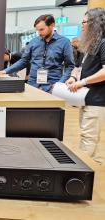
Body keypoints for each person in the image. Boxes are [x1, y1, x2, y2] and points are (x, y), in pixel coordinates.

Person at [66, 8, 105, 164]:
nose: (82, 25)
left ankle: (82, 175)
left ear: (95, 23)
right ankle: (96, 171)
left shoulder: (103, 43)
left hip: (97, 99)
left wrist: (83, 82)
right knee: (90, 138)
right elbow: (78, 66)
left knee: (88, 139)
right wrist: (73, 77)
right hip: (85, 98)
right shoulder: (89, 43)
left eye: (85, 22)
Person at [0, 14, 74, 93]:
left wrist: (60, 84)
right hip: (33, 84)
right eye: (37, 30)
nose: (39, 33)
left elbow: (70, 66)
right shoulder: (34, 42)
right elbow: (24, 61)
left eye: (42, 29)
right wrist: (5, 71)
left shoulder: (64, 42)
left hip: (52, 86)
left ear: (52, 25)